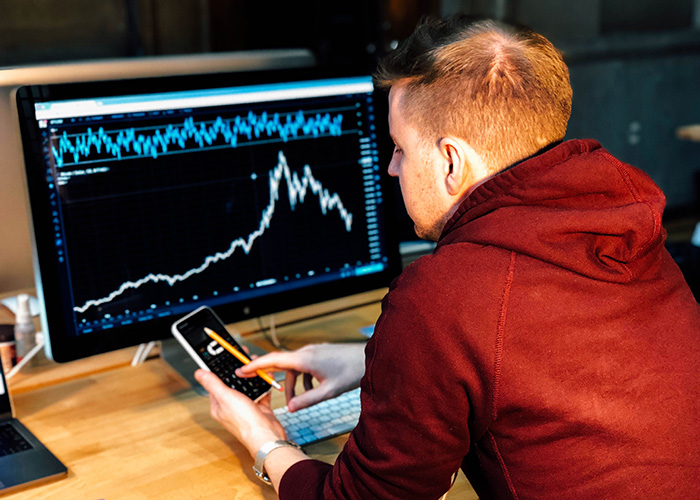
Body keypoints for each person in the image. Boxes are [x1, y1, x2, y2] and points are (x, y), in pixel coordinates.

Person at [195, 15, 700, 500]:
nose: (392, 168)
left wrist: (264, 440)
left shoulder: (447, 294)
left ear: (451, 161)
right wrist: (375, 362)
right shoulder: (626, 227)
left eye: (400, 148)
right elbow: (544, 361)